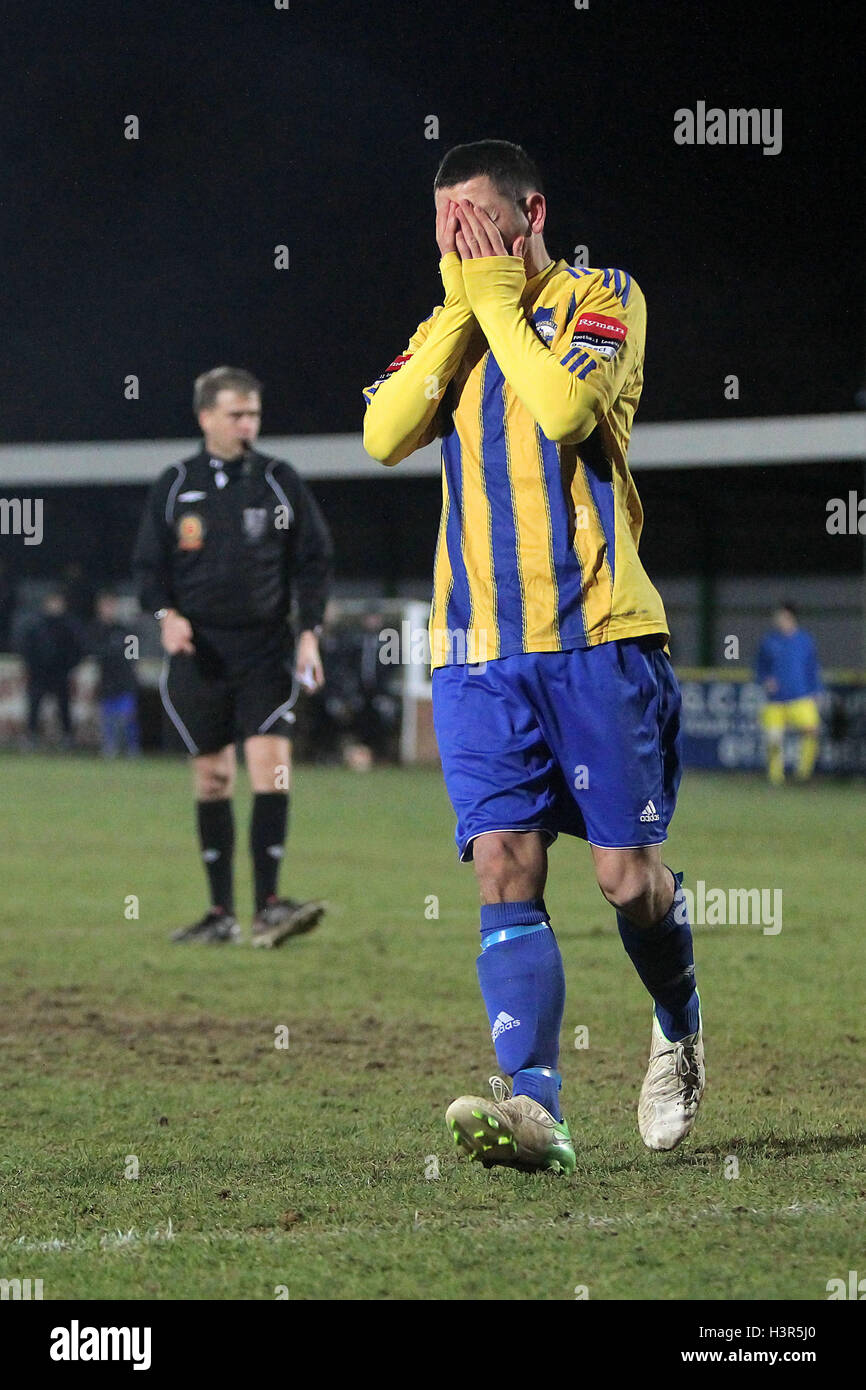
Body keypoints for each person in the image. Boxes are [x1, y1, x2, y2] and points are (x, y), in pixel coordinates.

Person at [363, 140, 704, 1172]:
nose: (454, 244)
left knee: (623, 879)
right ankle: (535, 1107)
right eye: (441, 229)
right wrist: (468, 306)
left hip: (594, 636)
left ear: (529, 213)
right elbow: (381, 433)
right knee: (504, 865)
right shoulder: (450, 324)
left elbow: (561, 409)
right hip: (473, 651)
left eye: (472, 222)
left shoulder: (605, 296)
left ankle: (678, 1026)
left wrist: (499, 303)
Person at [133, 365, 334, 947]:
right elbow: (149, 569)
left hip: (266, 648)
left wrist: (309, 632)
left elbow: (313, 561)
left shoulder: (278, 480)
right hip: (201, 654)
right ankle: (220, 914)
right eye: (235, 414)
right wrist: (166, 618)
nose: (248, 424)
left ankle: (270, 906)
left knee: (271, 766)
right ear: (206, 418)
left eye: (253, 414)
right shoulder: (175, 485)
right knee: (215, 778)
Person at [755, 602, 822, 784]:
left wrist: (816, 690)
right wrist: (766, 680)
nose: (779, 621)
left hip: (800, 696)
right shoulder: (769, 641)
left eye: (782, 617)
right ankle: (776, 778)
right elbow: (759, 668)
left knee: (812, 731)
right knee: (774, 740)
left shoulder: (805, 641)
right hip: (775, 700)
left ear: (791, 618)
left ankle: (803, 774)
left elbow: (812, 668)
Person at [21, 589, 83, 747]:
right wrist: (33, 666)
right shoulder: (36, 624)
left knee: (64, 707)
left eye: (58, 602)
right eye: (52, 602)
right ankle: (30, 737)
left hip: (60, 674)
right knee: (34, 706)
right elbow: (26, 648)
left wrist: (68, 666)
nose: (55, 606)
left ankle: (68, 737)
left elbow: (78, 648)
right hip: (39, 674)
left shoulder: (69, 625)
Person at [89, 591, 141, 757]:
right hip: (106, 681)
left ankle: (132, 750)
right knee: (108, 719)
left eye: (111, 605)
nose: (109, 609)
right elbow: (94, 652)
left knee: (127, 718)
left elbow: (133, 656)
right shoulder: (95, 630)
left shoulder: (126, 631)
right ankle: (109, 749)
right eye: (105, 606)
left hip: (125, 681)